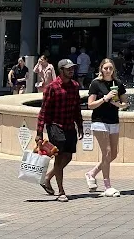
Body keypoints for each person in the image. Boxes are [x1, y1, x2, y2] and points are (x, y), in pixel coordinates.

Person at [35, 59, 83, 202]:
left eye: (72, 68)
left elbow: (76, 108)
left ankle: (47, 178)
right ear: (61, 70)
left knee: (68, 156)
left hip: (69, 125)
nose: (71, 71)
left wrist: (80, 125)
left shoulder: (75, 86)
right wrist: (39, 132)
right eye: (68, 69)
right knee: (59, 155)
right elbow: (43, 111)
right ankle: (61, 191)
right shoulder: (52, 87)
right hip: (55, 125)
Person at [85, 58, 128, 197]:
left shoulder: (118, 83)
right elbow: (90, 105)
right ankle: (107, 186)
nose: (108, 71)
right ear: (101, 69)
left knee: (113, 153)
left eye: (110, 68)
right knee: (107, 152)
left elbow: (125, 103)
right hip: (99, 121)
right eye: (105, 68)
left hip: (113, 120)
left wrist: (119, 105)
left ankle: (92, 173)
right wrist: (105, 98)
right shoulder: (96, 84)